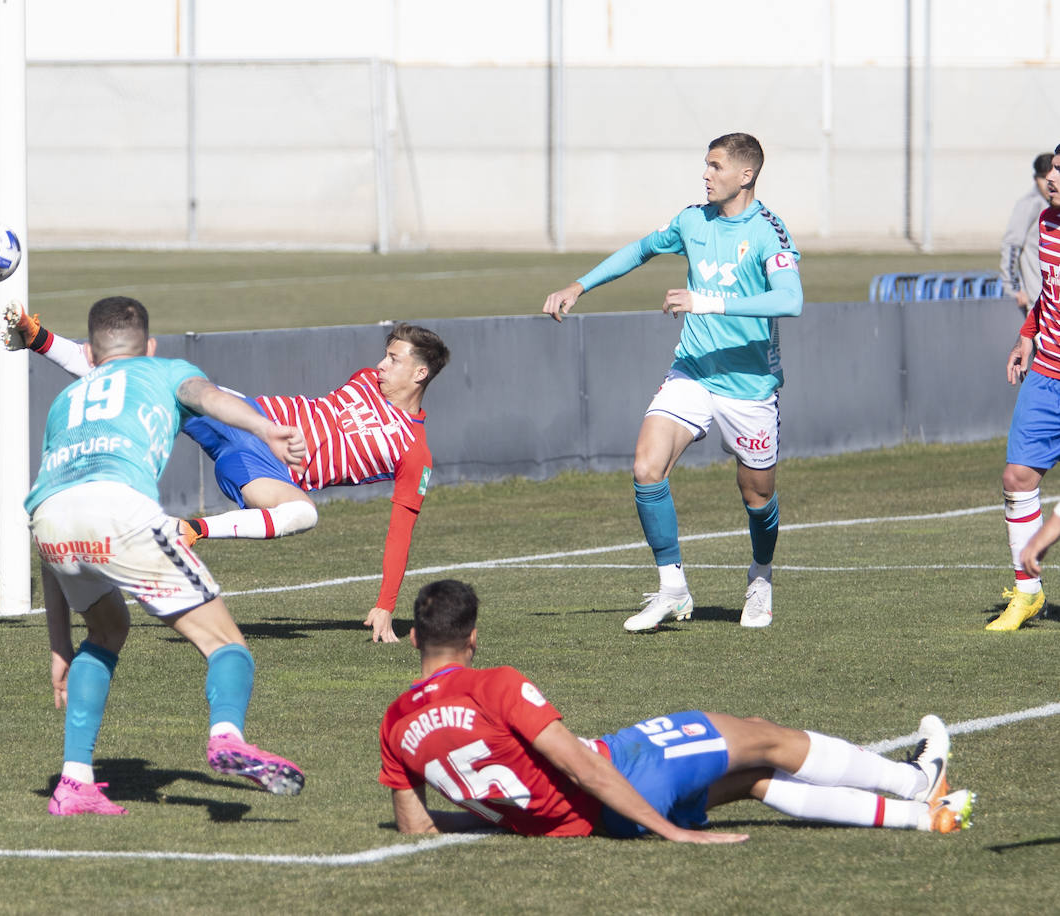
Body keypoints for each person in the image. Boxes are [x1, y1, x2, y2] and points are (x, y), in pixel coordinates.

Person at [379, 579, 975, 841]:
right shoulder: (497, 684)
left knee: (754, 782)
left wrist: (505, 818)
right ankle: (916, 780)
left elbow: (416, 826)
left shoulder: (395, 721)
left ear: (414, 639)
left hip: (595, 823)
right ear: (474, 638)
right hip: (629, 776)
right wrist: (670, 832)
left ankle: (921, 819)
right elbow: (584, 768)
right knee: (764, 737)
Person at [6, 304, 450, 643]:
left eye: (393, 360)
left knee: (303, 514)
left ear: (420, 372)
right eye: (385, 356)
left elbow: (401, 530)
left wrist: (386, 605)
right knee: (150, 381)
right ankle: (37, 338)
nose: (380, 366)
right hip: (251, 418)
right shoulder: (365, 380)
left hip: (266, 469)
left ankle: (189, 530)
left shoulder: (415, 452)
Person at [26, 296, 308, 816]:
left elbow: (50, 507)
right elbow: (208, 397)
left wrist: (59, 646)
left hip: (49, 522)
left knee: (106, 631)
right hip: (119, 507)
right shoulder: (165, 369)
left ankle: (74, 782)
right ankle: (226, 736)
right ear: (149, 346)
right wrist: (266, 429)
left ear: (89, 351)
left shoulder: (65, 402)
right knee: (226, 645)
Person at [540, 132, 802, 631]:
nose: (705, 174)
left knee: (757, 496)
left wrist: (706, 302)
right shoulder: (692, 221)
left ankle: (761, 578)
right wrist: (579, 285)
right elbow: (639, 250)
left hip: (749, 384)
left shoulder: (770, 231)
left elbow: (790, 300)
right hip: (693, 369)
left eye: (716, 166)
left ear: (745, 175)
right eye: (705, 165)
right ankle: (673, 589)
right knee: (646, 467)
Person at [994, 145, 1060, 631]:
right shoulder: (1047, 224)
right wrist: (1027, 334)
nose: (1052, 178)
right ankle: (1027, 593)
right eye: (1053, 169)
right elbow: (1047, 292)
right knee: (1018, 477)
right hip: (1046, 374)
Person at [1000, 152, 1056, 314]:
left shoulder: (1054, 205)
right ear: (1035, 179)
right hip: (1037, 302)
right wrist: (1013, 288)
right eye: (1043, 179)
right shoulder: (1030, 205)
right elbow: (1011, 245)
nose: (1048, 184)